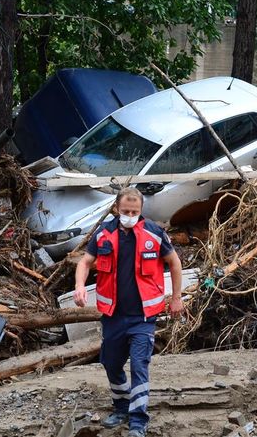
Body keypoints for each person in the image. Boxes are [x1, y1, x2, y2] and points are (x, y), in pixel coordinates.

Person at [74, 187, 183, 437]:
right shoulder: (104, 233)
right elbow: (85, 262)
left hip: (143, 317)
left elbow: (174, 263)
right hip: (113, 315)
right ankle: (122, 407)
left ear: (141, 210)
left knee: (139, 365)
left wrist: (176, 298)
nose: (130, 215)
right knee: (111, 363)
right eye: (126, 211)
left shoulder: (154, 233)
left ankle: (138, 421)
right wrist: (80, 287)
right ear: (116, 209)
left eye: (135, 211)